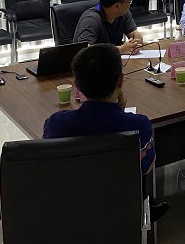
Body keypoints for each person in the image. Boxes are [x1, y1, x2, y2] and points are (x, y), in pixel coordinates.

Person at [42, 44, 168, 221]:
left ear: (77, 86)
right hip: (123, 212)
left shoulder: (56, 124)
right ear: (120, 80)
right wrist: (121, 113)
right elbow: (146, 168)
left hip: (71, 212)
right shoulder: (139, 125)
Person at [74, 0, 143, 55]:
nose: (130, 5)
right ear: (117, 5)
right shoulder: (91, 20)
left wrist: (136, 43)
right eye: (129, 1)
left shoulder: (124, 14)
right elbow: (84, 50)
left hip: (115, 59)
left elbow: (134, 33)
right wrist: (121, 49)